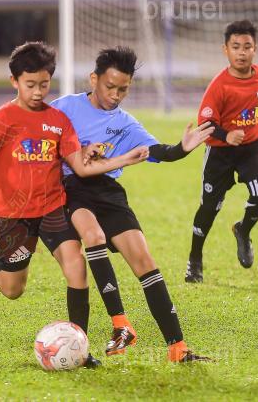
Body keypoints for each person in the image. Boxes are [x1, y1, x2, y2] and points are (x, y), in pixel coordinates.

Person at [0, 42, 148, 367]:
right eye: (30, 85)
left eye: (44, 84)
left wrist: (123, 159)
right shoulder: (0, 119)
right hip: (13, 215)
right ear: (14, 81)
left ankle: (80, 348)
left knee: (76, 266)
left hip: (52, 208)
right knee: (13, 289)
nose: (38, 92)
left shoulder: (58, 120)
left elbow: (80, 167)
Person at [51, 46, 212, 362]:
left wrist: (182, 148)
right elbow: (41, 135)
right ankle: (121, 323)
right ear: (94, 79)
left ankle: (178, 348)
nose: (115, 95)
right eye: (109, 86)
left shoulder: (125, 124)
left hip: (109, 192)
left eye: (122, 89)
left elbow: (158, 151)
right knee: (93, 236)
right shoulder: (65, 107)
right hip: (73, 189)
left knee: (144, 261)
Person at [186, 20, 258, 283]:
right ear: (225, 49)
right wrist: (226, 135)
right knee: (209, 208)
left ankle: (243, 230)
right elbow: (205, 123)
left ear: (255, 49)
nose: (241, 52)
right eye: (235, 47)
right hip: (220, 154)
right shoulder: (219, 86)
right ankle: (195, 259)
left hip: (252, 149)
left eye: (247, 47)